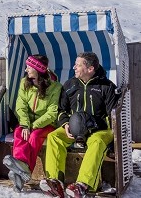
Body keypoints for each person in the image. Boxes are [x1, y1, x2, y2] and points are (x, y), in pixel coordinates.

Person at [40, 52, 119, 198]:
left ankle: (82, 185)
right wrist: (65, 124)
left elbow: (112, 117)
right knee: (54, 137)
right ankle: (55, 182)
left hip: (99, 130)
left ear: (90, 69)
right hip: (74, 129)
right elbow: (61, 110)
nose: (74, 67)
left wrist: (93, 123)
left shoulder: (106, 87)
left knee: (98, 142)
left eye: (78, 64)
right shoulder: (69, 85)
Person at [3, 55, 62, 192]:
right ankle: (22, 170)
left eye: (29, 67)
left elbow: (52, 112)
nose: (26, 69)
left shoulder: (55, 87)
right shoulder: (25, 82)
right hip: (27, 122)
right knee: (19, 132)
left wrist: (33, 126)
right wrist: (25, 124)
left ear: (38, 69)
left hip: (47, 123)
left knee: (34, 136)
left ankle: (23, 170)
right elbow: (20, 105)